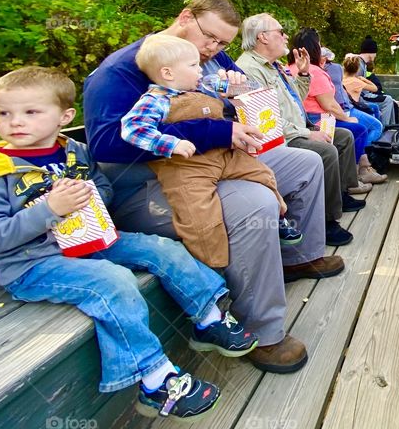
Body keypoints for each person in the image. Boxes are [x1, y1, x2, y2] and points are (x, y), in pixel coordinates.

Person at [0, 67, 258, 421]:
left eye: (31, 112)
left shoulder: (73, 151)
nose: (15, 121)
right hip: (32, 263)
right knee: (114, 282)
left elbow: (103, 187)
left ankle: (208, 317)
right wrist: (49, 210)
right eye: (4, 113)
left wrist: (91, 196)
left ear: (65, 117)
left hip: (91, 240)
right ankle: (156, 381)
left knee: (161, 248)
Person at [84, 0, 344, 376]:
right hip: (150, 181)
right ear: (185, 17)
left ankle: (299, 257)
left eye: (223, 43)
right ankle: (263, 330)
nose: (215, 49)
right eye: (210, 38)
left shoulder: (212, 59)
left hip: (218, 159)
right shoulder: (123, 69)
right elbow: (105, 142)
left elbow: (232, 108)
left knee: (305, 163)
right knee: (254, 203)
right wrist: (215, 131)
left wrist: (238, 101)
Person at [121, 34, 300, 267]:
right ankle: (214, 266)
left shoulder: (203, 85)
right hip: (186, 168)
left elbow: (253, 87)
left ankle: (278, 218)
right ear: (168, 73)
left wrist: (237, 87)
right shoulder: (155, 100)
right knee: (199, 216)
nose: (200, 70)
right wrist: (170, 144)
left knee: (262, 173)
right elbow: (133, 128)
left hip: (223, 154)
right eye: (193, 65)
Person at [235, 13, 370, 247]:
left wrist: (304, 73)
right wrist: (308, 133)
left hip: (299, 126)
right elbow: (266, 120)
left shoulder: (274, 66)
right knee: (326, 151)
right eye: (280, 31)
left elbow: (296, 98)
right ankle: (327, 222)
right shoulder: (249, 69)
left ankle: (340, 195)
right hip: (280, 139)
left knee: (344, 136)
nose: (286, 35)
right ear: (263, 37)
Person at [293, 28, 387, 185]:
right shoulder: (315, 71)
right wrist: (347, 118)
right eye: (319, 44)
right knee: (360, 129)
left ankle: (363, 166)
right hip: (317, 120)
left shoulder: (290, 67)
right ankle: (352, 178)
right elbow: (329, 105)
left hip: (304, 118)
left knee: (361, 124)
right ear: (315, 47)